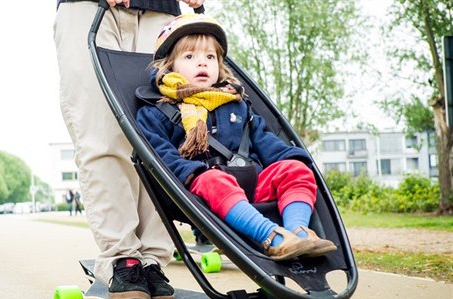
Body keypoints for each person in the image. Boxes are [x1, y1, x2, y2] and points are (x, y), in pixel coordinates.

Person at [136, 14, 338, 261]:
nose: (202, 64)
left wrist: (294, 159)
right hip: (202, 193)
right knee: (214, 180)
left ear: (219, 65)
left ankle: (298, 234)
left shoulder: (238, 105)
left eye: (210, 57)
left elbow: (266, 142)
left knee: (295, 169)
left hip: (252, 184)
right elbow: (162, 157)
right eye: (189, 57)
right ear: (169, 66)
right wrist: (194, 173)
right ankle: (273, 238)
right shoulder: (156, 113)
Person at [54, 0, 205, 299]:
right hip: (91, 9)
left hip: (160, 12)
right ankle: (122, 258)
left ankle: (152, 261)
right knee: (103, 136)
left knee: (161, 138)